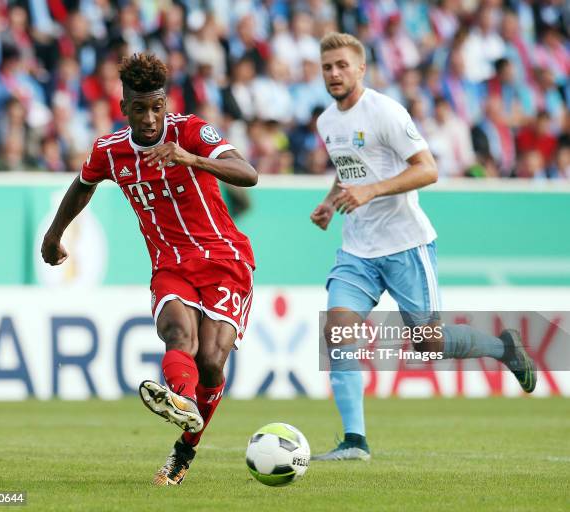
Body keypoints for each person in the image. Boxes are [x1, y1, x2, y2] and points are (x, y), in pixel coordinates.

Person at [309, 33, 536, 461]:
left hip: (406, 245)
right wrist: (328, 202)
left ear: (361, 69)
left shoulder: (386, 112)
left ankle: (504, 348)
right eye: (327, 67)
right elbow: (348, 169)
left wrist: (373, 191)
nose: (334, 73)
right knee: (337, 331)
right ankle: (355, 442)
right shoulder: (326, 122)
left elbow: (428, 169)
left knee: (427, 342)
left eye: (342, 65)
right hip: (358, 249)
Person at [41, 53, 257, 485]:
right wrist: (54, 234)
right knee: (179, 335)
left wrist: (191, 159)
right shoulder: (111, 151)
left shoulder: (191, 131)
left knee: (212, 362)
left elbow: (246, 173)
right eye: (139, 108)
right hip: (170, 265)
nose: (149, 117)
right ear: (125, 108)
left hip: (225, 261)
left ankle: (183, 451)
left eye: (156, 106)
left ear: (166, 102)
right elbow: (82, 185)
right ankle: (179, 397)